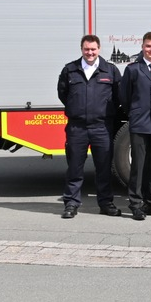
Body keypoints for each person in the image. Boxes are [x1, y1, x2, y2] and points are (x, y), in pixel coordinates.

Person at [57, 34, 122, 219]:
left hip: (102, 127)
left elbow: (118, 96)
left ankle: (106, 203)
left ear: (99, 49)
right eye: (87, 49)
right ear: (81, 49)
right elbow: (63, 94)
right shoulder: (70, 70)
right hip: (77, 127)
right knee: (75, 168)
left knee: (103, 168)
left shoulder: (110, 70)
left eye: (93, 49)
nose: (90, 52)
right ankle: (71, 203)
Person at [117, 32, 151, 220]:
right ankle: (135, 204)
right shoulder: (133, 69)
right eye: (148, 46)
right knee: (138, 166)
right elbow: (124, 96)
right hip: (140, 123)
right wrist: (133, 113)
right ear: (143, 47)